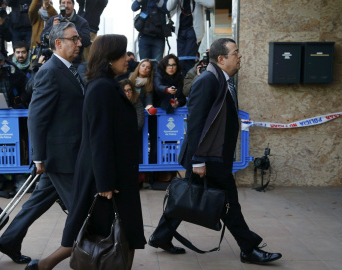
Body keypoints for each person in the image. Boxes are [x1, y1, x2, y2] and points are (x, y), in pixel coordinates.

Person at [150, 38, 283, 264]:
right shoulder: (208, 81)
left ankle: (161, 235)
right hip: (208, 157)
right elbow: (195, 123)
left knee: (188, 197)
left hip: (213, 155)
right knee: (229, 202)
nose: (240, 56)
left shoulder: (223, 79)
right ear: (221, 59)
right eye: (235, 53)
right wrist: (199, 160)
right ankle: (248, 248)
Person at [25, 33, 146, 270]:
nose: (127, 59)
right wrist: (104, 183)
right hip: (108, 177)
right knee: (112, 232)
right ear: (109, 58)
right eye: (122, 54)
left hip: (116, 173)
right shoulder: (102, 87)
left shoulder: (109, 85)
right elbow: (99, 138)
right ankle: (45, 265)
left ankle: (44, 265)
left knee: (113, 231)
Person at [0, 22, 84, 265]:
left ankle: (9, 240)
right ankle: (87, 252)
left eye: (78, 39)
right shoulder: (49, 72)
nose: (79, 43)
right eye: (74, 39)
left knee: (37, 202)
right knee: (80, 208)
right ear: (58, 43)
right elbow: (36, 116)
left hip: (67, 153)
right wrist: (38, 157)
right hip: (60, 157)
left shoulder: (70, 69)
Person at [166, 0, 214, 76]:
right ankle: (184, 83)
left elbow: (211, 3)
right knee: (181, 61)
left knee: (189, 60)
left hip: (193, 30)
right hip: (180, 31)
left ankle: (189, 83)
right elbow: (168, 7)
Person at [40, 0, 90, 66]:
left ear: (73, 4)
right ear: (60, 5)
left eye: (69, 3)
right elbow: (42, 39)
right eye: (63, 3)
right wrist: (53, 28)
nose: (66, 6)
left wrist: (71, 27)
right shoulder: (53, 20)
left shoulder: (82, 22)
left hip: (74, 62)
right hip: (54, 61)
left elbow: (86, 41)